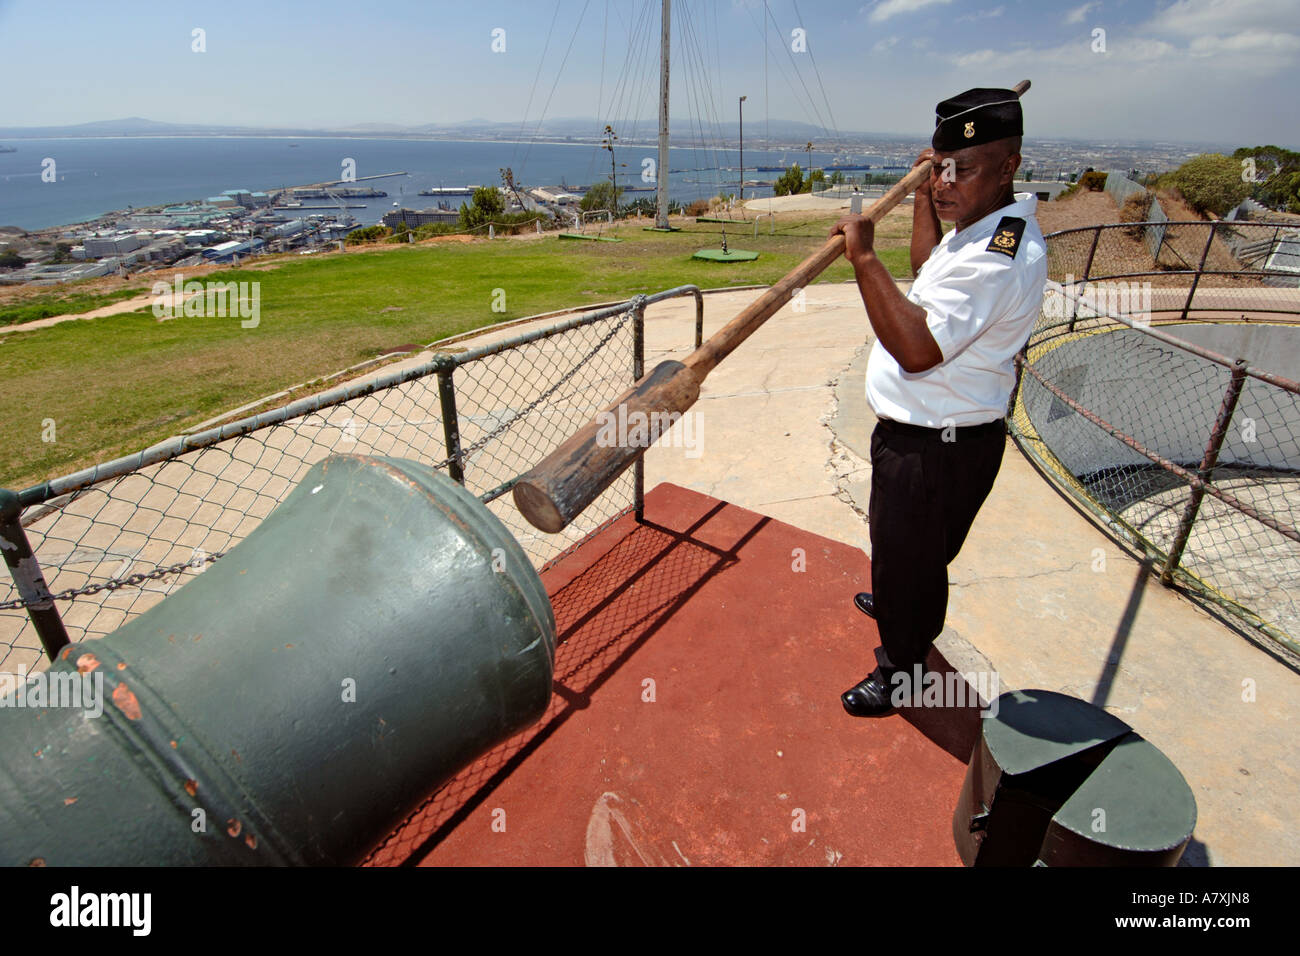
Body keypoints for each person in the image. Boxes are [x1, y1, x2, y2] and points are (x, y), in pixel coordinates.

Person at [827, 88, 1048, 717]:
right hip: (929, 438)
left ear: (1009, 166)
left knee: (914, 556)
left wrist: (863, 258)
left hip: (936, 447)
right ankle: (901, 594)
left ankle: (902, 669)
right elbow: (927, 274)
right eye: (940, 168)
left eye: (963, 170)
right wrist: (926, 198)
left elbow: (918, 349)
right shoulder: (979, 231)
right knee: (910, 550)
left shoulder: (998, 258)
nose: (947, 183)